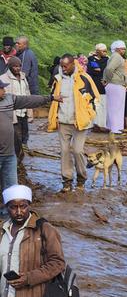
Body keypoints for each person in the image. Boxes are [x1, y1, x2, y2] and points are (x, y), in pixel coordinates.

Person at [48, 54, 100, 192]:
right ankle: (67, 181)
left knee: (77, 150)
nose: (63, 69)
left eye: (66, 66)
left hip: (80, 123)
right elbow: (53, 99)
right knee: (64, 151)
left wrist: (90, 116)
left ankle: (81, 179)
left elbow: (95, 99)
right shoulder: (57, 79)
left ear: (72, 64)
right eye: (62, 66)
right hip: (63, 121)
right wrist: (54, 117)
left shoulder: (84, 78)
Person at [0, 80, 55, 195]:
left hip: (9, 155)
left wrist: (50, 98)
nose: (4, 91)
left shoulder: (9, 99)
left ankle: (9, 211)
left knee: (12, 190)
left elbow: (28, 100)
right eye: (2, 88)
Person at [5, 57, 31, 159]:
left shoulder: (24, 78)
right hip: (13, 114)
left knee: (25, 137)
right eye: (15, 66)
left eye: (19, 66)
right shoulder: (4, 79)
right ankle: (16, 161)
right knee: (16, 139)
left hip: (23, 112)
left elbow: (27, 94)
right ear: (10, 67)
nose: (17, 68)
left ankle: (20, 160)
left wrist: (30, 112)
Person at [104, 40, 127, 134]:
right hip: (116, 84)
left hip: (114, 84)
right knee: (116, 108)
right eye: (123, 49)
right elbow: (109, 69)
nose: (124, 51)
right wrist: (110, 79)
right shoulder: (117, 57)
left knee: (113, 107)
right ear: (117, 49)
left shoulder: (114, 56)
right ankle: (116, 129)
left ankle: (112, 128)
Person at [86, 43, 109, 131]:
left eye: (106, 51)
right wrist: (98, 70)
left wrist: (98, 69)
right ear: (98, 51)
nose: (105, 53)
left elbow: (101, 70)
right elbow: (92, 71)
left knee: (103, 105)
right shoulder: (91, 59)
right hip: (93, 85)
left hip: (103, 86)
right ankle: (94, 124)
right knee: (94, 105)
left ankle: (102, 124)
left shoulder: (107, 59)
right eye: (103, 51)